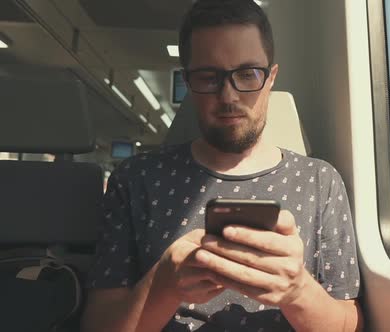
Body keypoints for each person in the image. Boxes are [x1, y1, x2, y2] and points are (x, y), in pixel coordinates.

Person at [81, 0, 363, 331]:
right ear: (188, 81)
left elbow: (348, 324)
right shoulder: (135, 179)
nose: (229, 96)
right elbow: (97, 325)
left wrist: (298, 291)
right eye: (208, 76)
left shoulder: (320, 181)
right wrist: (163, 286)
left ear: (270, 78)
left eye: (247, 74)